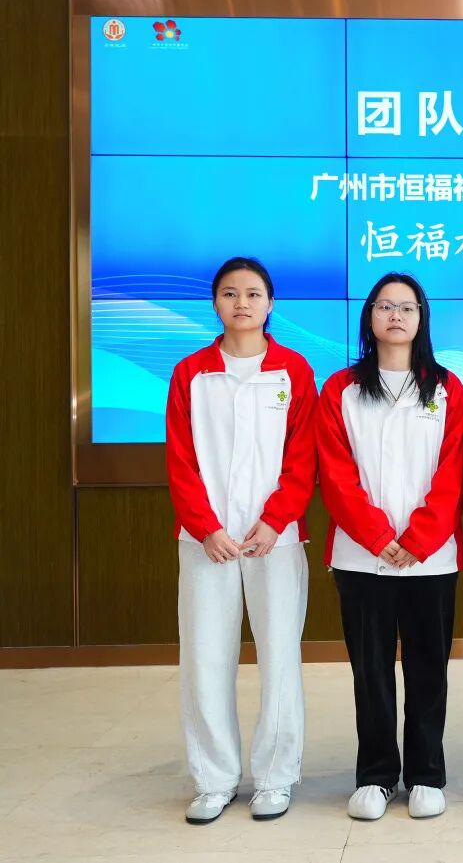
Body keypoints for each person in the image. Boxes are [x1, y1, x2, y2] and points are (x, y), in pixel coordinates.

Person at [165, 257, 317, 824]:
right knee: (205, 656)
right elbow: (180, 459)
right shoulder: (191, 373)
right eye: (230, 293)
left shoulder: (293, 371)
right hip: (206, 541)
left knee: (279, 658)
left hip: (275, 540)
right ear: (215, 303)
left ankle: (275, 777)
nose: (242, 303)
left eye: (253, 293)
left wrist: (275, 520)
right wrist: (206, 526)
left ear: (270, 304)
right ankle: (214, 779)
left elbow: (303, 457)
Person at [316, 272, 463, 821]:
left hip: (432, 558)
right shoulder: (341, 389)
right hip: (362, 558)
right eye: (385, 306)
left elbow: (454, 471)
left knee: (428, 669)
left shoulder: (449, 388)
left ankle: (426, 773)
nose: (396, 315)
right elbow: (336, 474)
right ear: (369, 317)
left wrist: (419, 537)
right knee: (371, 670)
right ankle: (377, 775)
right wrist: (380, 537)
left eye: (407, 307)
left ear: (422, 318)